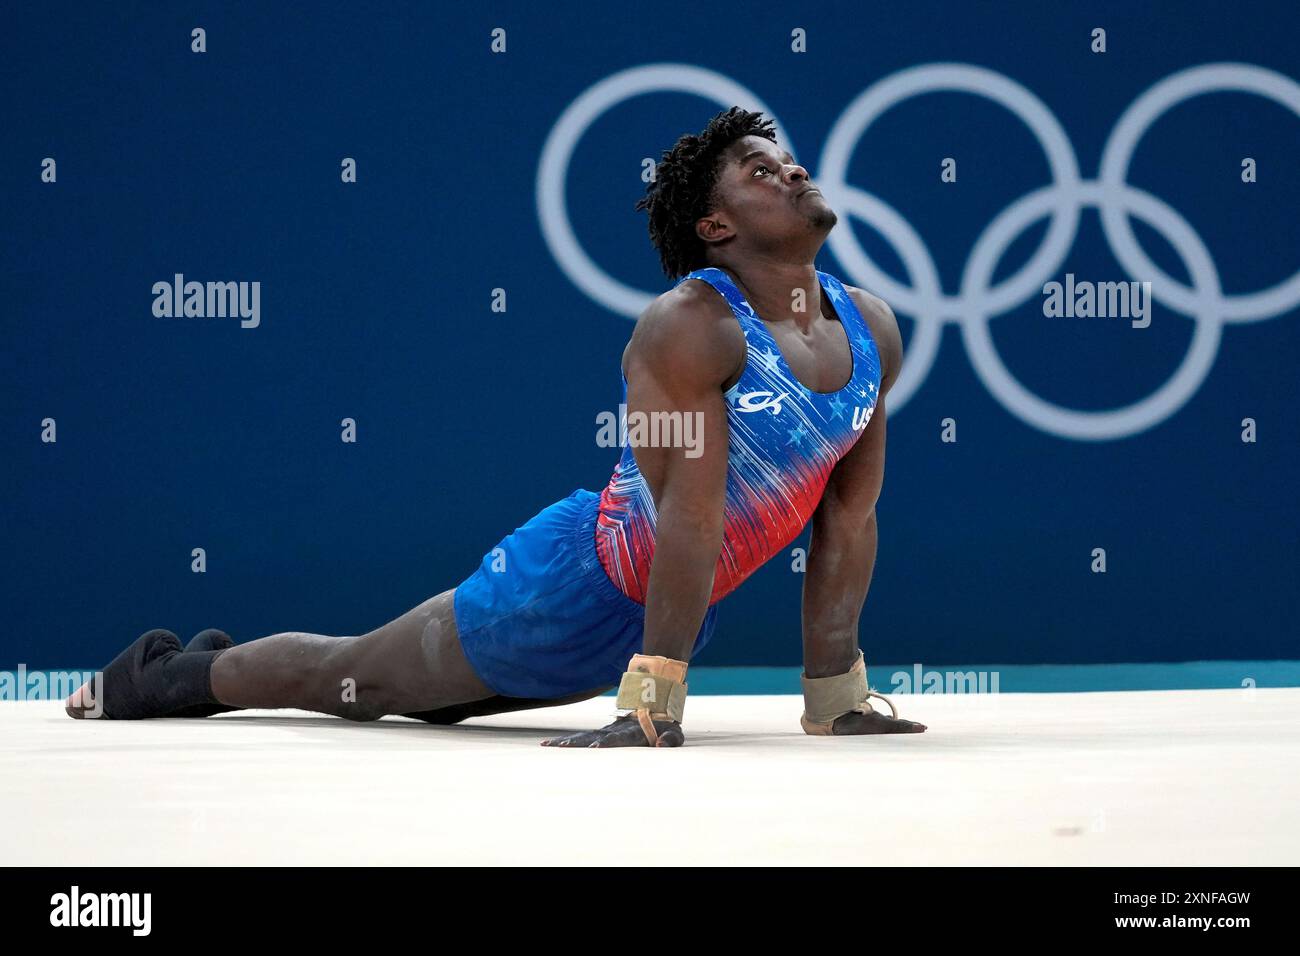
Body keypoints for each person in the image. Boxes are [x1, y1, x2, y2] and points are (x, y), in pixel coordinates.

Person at [66, 106, 926, 747]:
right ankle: (166, 675)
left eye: (788, 161)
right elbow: (688, 517)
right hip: (557, 595)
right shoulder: (694, 327)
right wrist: (653, 704)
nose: (790, 171)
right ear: (716, 227)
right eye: (758, 171)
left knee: (418, 705)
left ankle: (206, 665)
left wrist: (835, 694)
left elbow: (848, 519)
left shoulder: (872, 328)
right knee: (350, 683)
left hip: (668, 613)